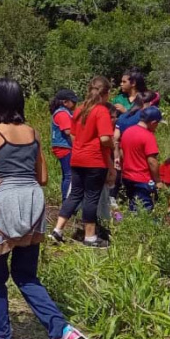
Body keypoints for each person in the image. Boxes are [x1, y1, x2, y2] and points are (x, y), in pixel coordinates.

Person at [0, 78, 90, 339]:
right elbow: (42, 177)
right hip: (33, 202)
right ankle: (62, 332)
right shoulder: (32, 132)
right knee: (26, 275)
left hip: (4, 202)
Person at [52, 77, 115, 248]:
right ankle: (90, 236)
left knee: (75, 194)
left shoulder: (79, 110)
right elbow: (104, 138)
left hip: (77, 158)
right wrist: (112, 144)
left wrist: (80, 146)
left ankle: (58, 230)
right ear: (106, 93)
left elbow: (72, 135)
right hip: (95, 160)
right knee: (91, 197)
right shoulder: (101, 111)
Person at [120, 107, 163, 212]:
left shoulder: (127, 131)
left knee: (132, 205)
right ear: (153, 122)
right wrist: (158, 181)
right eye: (157, 123)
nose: (157, 126)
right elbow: (152, 161)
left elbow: (122, 152)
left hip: (127, 176)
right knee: (143, 210)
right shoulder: (148, 136)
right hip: (142, 179)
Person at [49, 89, 78, 202]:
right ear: (65, 102)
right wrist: (77, 146)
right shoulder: (62, 113)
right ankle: (67, 200)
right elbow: (68, 131)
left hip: (62, 147)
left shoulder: (62, 112)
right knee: (69, 175)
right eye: (73, 101)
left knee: (67, 174)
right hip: (64, 147)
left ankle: (66, 199)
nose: (75, 104)